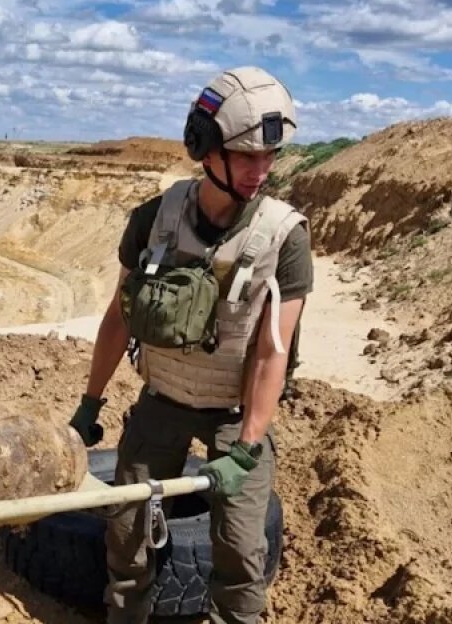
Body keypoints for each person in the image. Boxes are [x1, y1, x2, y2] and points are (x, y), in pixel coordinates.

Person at [69, 67, 314, 624]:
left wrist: (248, 446)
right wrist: (91, 403)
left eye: (269, 157)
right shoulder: (157, 219)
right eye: (247, 156)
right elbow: (119, 317)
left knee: (239, 549)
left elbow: (272, 350)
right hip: (163, 401)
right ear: (205, 148)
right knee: (126, 533)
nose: (262, 171)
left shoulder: (285, 236)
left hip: (235, 414)